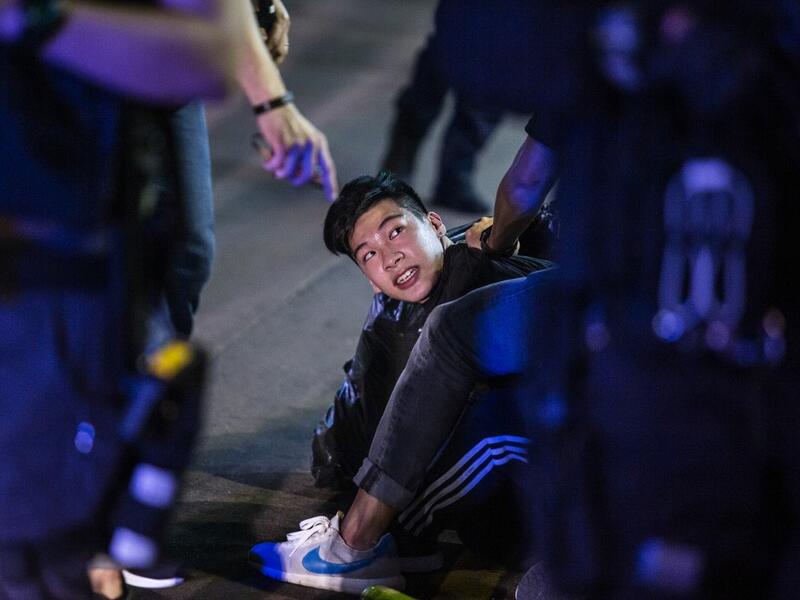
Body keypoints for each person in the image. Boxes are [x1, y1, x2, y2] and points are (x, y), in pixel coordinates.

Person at [0, 0, 245, 597]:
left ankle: (104, 537)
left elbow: (211, 58)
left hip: (51, 300)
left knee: (40, 554)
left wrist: (28, 17)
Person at [249, 171, 554, 593]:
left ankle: (382, 539)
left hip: (580, 470)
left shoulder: (481, 266)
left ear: (434, 224)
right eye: (368, 255)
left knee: (479, 421)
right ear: (368, 278)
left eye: (395, 231)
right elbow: (349, 427)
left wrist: (512, 233)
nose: (389, 256)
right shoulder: (392, 321)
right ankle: (388, 537)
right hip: (537, 492)